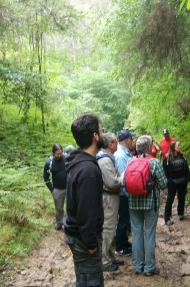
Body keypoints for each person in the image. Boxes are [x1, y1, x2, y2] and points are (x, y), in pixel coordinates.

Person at [63, 114, 105, 286]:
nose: (102, 133)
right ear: (95, 136)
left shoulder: (79, 162)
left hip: (77, 235)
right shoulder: (88, 169)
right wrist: (91, 244)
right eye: (100, 130)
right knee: (90, 281)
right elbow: (85, 212)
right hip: (84, 239)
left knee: (84, 278)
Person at [124, 135, 167, 276]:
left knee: (136, 234)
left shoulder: (130, 161)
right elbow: (163, 183)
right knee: (149, 234)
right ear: (149, 148)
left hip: (133, 203)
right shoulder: (154, 162)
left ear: (137, 148)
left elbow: (124, 181)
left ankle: (137, 266)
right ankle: (149, 268)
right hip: (150, 204)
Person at [96, 132, 124, 272]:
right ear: (110, 144)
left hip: (111, 197)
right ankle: (104, 260)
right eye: (115, 141)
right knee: (107, 228)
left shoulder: (108, 158)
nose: (117, 144)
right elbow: (112, 183)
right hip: (108, 198)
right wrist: (123, 178)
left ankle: (110, 256)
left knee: (111, 227)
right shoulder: (105, 160)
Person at [114, 129, 136, 256]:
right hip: (123, 194)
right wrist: (129, 195)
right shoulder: (121, 156)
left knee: (124, 219)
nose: (133, 141)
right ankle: (120, 246)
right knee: (123, 220)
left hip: (123, 194)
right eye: (131, 139)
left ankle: (124, 242)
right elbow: (123, 178)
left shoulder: (123, 153)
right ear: (127, 140)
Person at [163, 141, 190, 225]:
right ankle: (167, 217)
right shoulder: (167, 157)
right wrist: (168, 180)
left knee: (181, 198)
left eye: (179, 145)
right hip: (172, 181)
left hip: (182, 180)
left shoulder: (182, 156)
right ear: (173, 147)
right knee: (170, 199)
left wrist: (187, 178)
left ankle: (181, 213)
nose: (180, 146)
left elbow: (187, 167)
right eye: (178, 145)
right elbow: (164, 170)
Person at [43, 144, 67, 230]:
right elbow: (46, 177)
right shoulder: (49, 163)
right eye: (57, 154)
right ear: (53, 153)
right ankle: (59, 223)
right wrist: (52, 189)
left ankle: (70, 223)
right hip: (57, 189)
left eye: (61, 153)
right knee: (59, 208)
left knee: (71, 206)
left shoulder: (66, 158)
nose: (59, 155)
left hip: (69, 187)